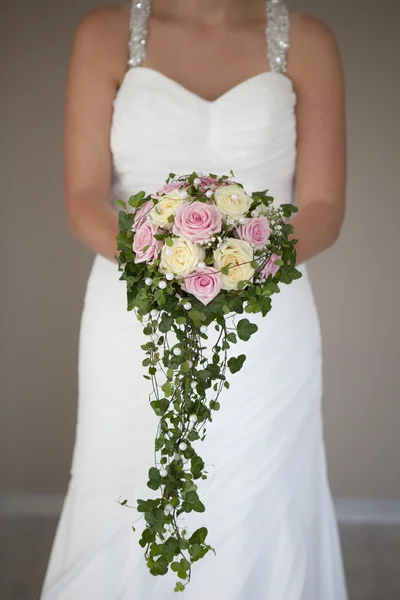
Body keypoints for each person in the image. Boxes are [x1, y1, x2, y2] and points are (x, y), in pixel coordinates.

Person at [40, 1, 348, 598]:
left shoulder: (307, 40)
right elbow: (84, 198)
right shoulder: (104, 34)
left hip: (265, 314)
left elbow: (324, 209)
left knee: (259, 491)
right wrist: (163, 265)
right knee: (127, 482)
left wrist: (245, 265)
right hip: (133, 307)